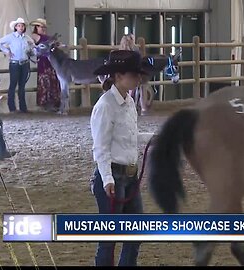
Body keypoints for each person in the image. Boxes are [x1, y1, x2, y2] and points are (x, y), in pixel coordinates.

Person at [90, 50, 149, 266]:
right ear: (118, 76)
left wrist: (155, 137)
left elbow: (129, 137)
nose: (138, 78)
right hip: (113, 178)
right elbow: (101, 147)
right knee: (109, 240)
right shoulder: (105, 106)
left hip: (130, 177)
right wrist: (107, 178)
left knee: (136, 232)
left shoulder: (129, 102)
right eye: (133, 74)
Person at [0, 17, 35, 113]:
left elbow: (33, 46)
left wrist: (31, 51)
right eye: (19, 26)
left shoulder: (27, 38)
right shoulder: (10, 37)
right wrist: (7, 51)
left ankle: (23, 107)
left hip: (24, 63)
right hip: (15, 63)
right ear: (15, 27)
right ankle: (12, 107)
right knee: (13, 85)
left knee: (22, 85)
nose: (21, 27)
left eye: (22, 26)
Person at [30, 18, 61, 112]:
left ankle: (53, 102)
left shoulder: (46, 37)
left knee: (52, 80)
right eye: (40, 26)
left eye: (43, 27)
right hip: (43, 60)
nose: (42, 28)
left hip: (50, 60)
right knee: (44, 81)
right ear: (36, 27)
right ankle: (45, 102)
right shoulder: (35, 36)